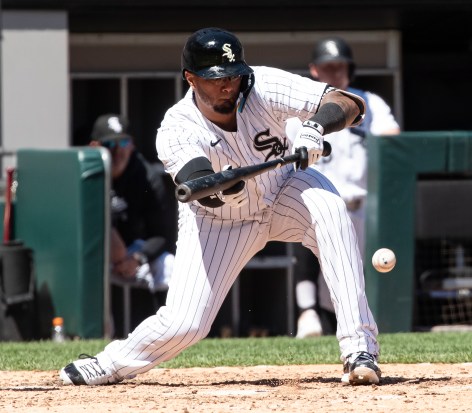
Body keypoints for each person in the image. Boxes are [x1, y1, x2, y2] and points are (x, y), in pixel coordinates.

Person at [59, 28, 381, 386]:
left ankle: (359, 350)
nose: (227, 85)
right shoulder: (176, 127)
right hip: (219, 220)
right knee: (186, 324)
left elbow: (350, 103)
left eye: (232, 75)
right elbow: (201, 188)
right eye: (216, 79)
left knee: (329, 207)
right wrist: (229, 186)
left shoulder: (263, 84)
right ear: (191, 79)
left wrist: (315, 128)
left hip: (284, 188)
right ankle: (111, 363)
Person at [289, 37, 400, 338]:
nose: (335, 72)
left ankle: (358, 327)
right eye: (328, 67)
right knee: (309, 255)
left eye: (340, 67)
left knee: (355, 276)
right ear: (314, 70)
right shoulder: (301, 108)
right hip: (319, 197)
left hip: (361, 205)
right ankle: (307, 315)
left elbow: (392, 138)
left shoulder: (369, 103)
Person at [89, 114, 177, 334]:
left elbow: (162, 234)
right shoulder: (86, 173)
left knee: (171, 266)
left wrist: (138, 258)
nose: (118, 151)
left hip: (133, 254)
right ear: (94, 147)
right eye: (109, 144)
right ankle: (97, 336)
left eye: (124, 143)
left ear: (132, 145)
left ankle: (172, 333)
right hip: (95, 256)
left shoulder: (145, 175)